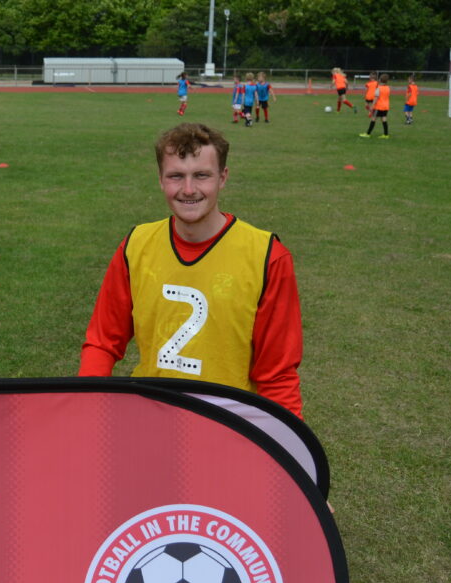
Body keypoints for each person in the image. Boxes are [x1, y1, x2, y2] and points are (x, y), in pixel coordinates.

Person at [79, 123, 304, 418]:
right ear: (161, 180)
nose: (188, 189)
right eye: (176, 176)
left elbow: (277, 375)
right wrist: (87, 407)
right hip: (150, 415)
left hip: (228, 424)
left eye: (201, 175)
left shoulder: (267, 256)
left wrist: (287, 439)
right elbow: (102, 343)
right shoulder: (135, 245)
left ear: (222, 178)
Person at [359, 73, 391, 139]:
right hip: (386, 106)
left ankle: (368, 133)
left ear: (380, 80)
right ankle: (386, 134)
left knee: (373, 119)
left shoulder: (378, 88)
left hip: (378, 107)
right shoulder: (388, 88)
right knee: (384, 119)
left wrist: (372, 106)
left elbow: (376, 99)